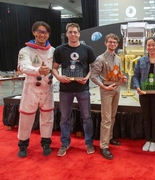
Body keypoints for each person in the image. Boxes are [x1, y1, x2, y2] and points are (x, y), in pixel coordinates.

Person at [52, 23, 96, 156]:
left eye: (75, 32)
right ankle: (65, 143)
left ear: (79, 33)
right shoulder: (59, 50)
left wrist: (87, 78)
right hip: (65, 89)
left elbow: (93, 67)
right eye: (70, 32)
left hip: (83, 88)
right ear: (66, 34)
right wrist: (58, 77)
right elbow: (53, 68)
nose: (73, 34)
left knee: (87, 117)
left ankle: (89, 143)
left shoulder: (87, 49)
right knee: (64, 118)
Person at [17, 21, 54, 158]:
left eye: (45, 32)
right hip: (31, 89)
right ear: (34, 32)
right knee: (26, 118)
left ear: (48, 34)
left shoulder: (53, 51)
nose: (42, 34)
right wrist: (38, 70)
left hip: (47, 89)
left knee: (47, 117)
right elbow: (24, 67)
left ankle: (46, 142)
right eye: (39, 31)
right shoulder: (25, 51)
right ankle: (23, 144)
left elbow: (57, 68)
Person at [90, 33, 127, 160]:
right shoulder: (100, 59)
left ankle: (110, 137)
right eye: (110, 42)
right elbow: (93, 76)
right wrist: (103, 86)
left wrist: (123, 77)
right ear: (105, 43)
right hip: (106, 89)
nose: (112, 44)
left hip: (117, 88)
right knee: (106, 119)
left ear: (117, 44)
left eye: (114, 42)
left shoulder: (118, 58)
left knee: (112, 116)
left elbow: (118, 73)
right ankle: (103, 146)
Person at [133, 37, 155, 152]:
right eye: (149, 45)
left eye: (153, 45)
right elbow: (136, 76)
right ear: (146, 47)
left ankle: (153, 141)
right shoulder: (140, 61)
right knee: (146, 117)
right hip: (143, 93)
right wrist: (137, 87)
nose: (151, 47)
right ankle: (147, 139)